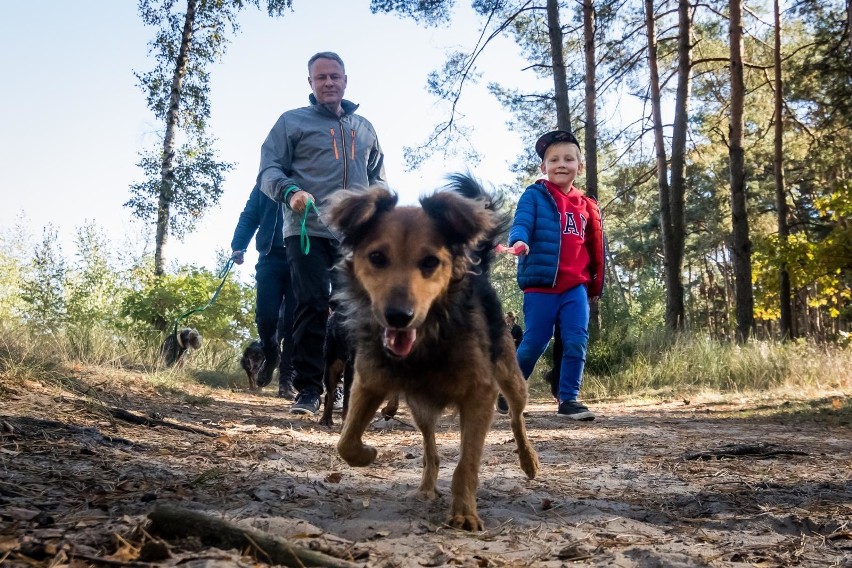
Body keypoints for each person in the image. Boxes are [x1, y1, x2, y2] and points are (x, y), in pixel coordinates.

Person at [257, 51, 387, 415]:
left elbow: (379, 178)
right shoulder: (291, 122)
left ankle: (350, 388)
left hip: (354, 237)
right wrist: (290, 192)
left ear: (345, 80)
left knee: (353, 310)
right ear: (310, 84)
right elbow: (267, 171)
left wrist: (379, 204)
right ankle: (309, 389)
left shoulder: (364, 128)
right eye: (320, 78)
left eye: (334, 76)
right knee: (311, 304)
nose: (328, 83)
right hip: (305, 229)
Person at [500, 130, 604, 420]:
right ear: (543, 167)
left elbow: (596, 248)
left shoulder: (587, 206)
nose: (561, 164)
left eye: (569, 159)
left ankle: (568, 399)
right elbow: (521, 223)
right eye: (553, 159)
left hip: (576, 287)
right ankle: (510, 389)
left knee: (575, 340)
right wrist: (519, 241)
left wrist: (596, 284)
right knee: (535, 341)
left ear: (579, 167)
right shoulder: (535, 195)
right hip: (542, 286)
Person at [231, 182, 298, 400]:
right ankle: (271, 354)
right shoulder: (265, 184)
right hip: (270, 257)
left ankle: (287, 380)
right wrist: (239, 245)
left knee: (293, 325)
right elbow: (250, 215)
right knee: (266, 317)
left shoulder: (309, 174)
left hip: (302, 258)